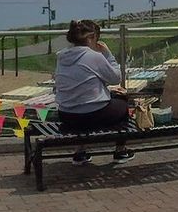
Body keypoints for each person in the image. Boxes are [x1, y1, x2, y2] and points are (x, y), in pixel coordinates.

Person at [54, 19, 133, 165]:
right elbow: (116, 78)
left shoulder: (61, 56)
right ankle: (120, 150)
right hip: (92, 115)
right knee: (122, 101)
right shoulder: (94, 56)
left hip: (66, 115)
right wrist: (107, 54)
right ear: (91, 38)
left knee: (95, 104)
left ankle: (80, 151)